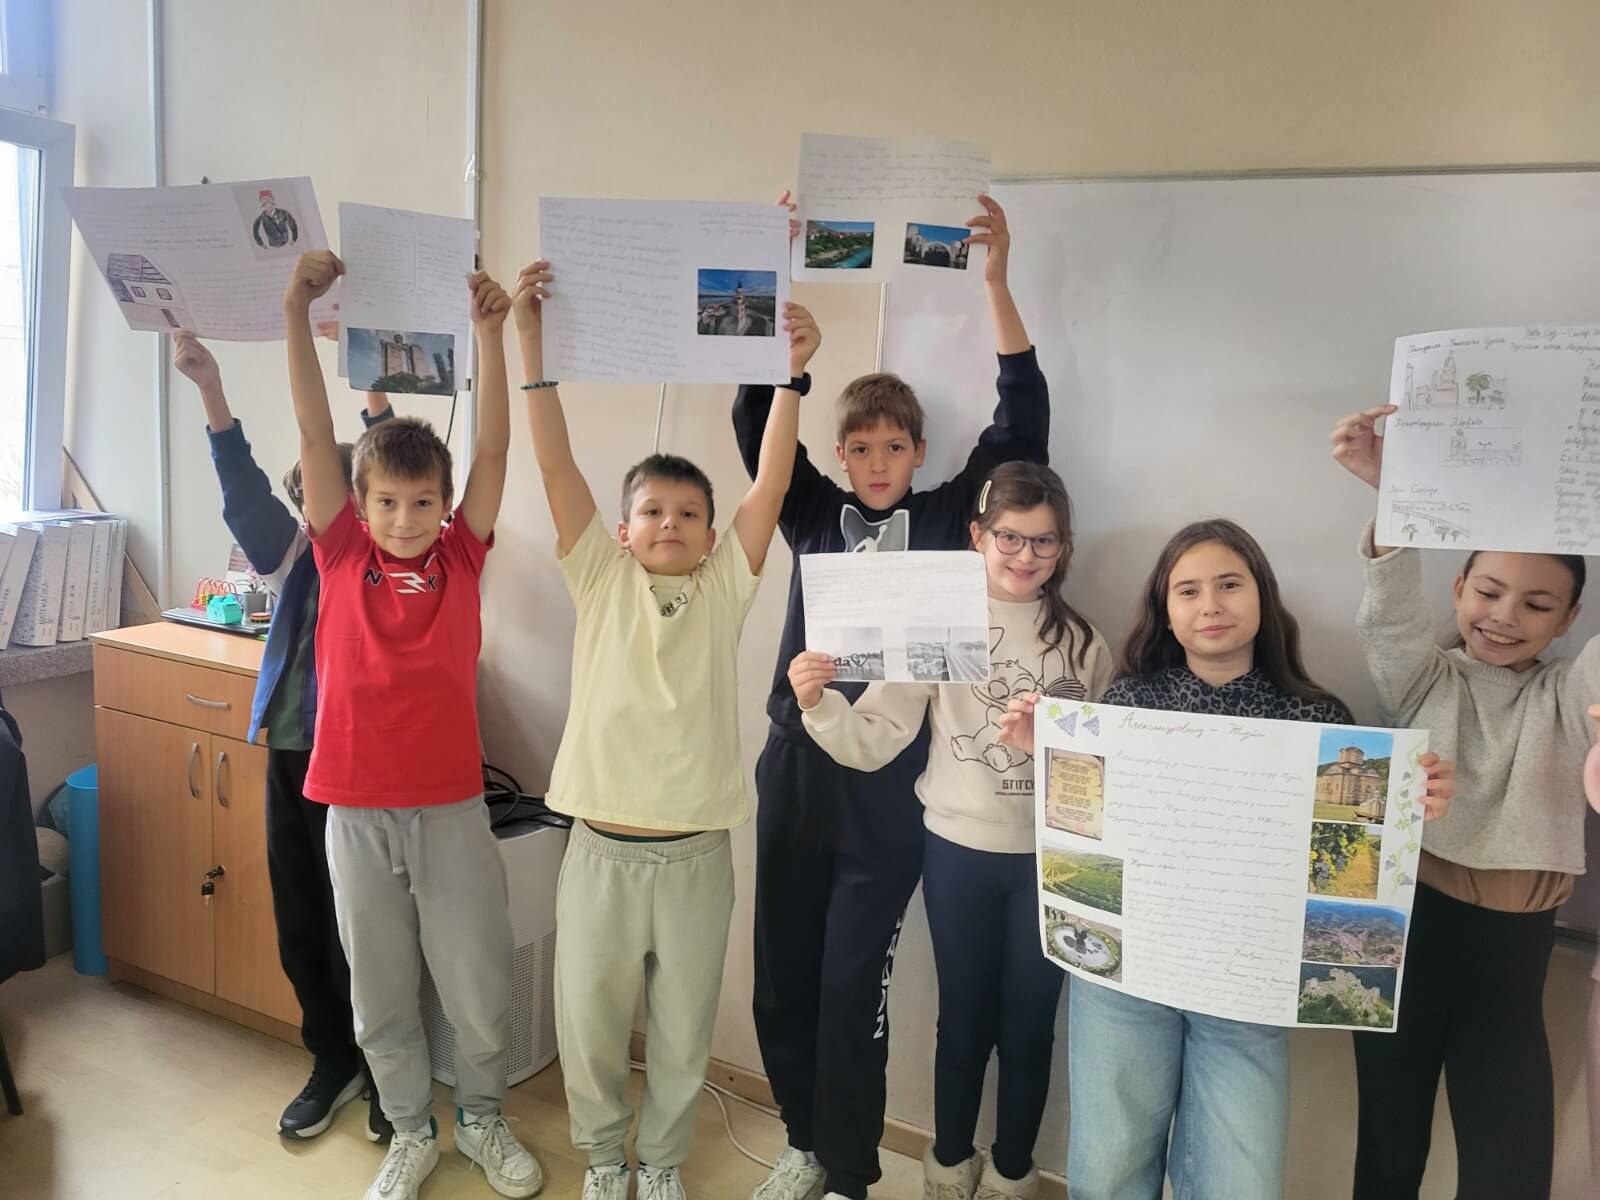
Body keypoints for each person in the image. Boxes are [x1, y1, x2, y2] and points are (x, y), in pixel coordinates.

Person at [732, 193, 1049, 1200]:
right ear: (840, 456)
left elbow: (1023, 426)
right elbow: (755, 424)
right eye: (860, 448)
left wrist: (996, 283)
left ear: (919, 454)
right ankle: (801, 1140)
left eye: (895, 447)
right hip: (797, 767)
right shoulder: (810, 513)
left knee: (849, 984)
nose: (877, 463)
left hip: (890, 788)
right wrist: (779, 291)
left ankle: (849, 1168)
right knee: (782, 972)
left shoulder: (955, 521)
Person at [999, 519, 1453, 1200]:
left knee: (1240, 1176)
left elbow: (1344, 862)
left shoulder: (1316, 720)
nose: (1210, 604)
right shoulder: (1126, 704)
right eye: (1188, 591)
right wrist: (1048, 753)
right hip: (1128, 973)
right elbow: (1092, 831)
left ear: (1262, 596)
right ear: (1166, 611)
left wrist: (1407, 806)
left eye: (1229, 585)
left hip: (1247, 984)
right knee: (1110, 1162)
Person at [513, 258, 813, 1200]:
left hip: (694, 858)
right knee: (591, 1024)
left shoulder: (724, 588)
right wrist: (532, 345)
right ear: (623, 528)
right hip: (599, 853)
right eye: (651, 510)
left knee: (684, 1030)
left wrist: (792, 378)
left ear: (712, 535)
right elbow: (555, 466)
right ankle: (606, 1160)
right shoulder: (600, 580)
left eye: (689, 513)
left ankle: (665, 1164)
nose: (670, 522)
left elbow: (770, 487)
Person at [284, 251, 541, 1200]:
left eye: (422, 502)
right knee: (380, 990)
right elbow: (315, 431)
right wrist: (295, 308)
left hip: (449, 808)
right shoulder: (339, 552)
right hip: (354, 808)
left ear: (444, 505)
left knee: (475, 981)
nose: (404, 518)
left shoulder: (461, 557)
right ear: (358, 505)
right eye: (387, 503)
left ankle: (481, 1117)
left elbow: (496, 455)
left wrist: (490, 334)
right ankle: (407, 1128)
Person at [791, 462, 1111, 1200]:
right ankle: (949, 1164)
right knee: (962, 1021)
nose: (1025, 554)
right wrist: (819, 705)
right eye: (1009, 537)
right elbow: (879, 732)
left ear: (1064, 548)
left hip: (1052, 863)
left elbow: (1102, 771)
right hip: (958, 853)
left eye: (1044, 541)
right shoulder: (940, 623)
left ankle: (1012, 1171)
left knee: (1030, 1026)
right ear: (977, 536)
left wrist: (1051, 749)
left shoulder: (1085, 643)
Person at [1332, 403, 1598, 1199]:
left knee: (1508, 1170)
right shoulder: (1425, 675)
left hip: (1512, 952)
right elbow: (1388, 616)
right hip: (1399, 927)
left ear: (1570, 619)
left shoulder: (1567, 696)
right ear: (1458, 589)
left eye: (1537, 605)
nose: (1505, 616)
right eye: (1488, 591)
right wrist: (1392, 493)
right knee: (1387, 1148)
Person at [174, 327, 395, 1143]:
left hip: (361, 770)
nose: (317, 509)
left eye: (336, 493)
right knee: (302, 921)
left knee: (366, 928)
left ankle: (386, 1070)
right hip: (292, 759)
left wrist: (372, 375)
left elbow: (394, 459)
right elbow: (244, 493)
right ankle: (332, 1059)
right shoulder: (294, 557)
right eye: (308, 496)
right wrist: (211, 388)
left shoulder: (385, 562)